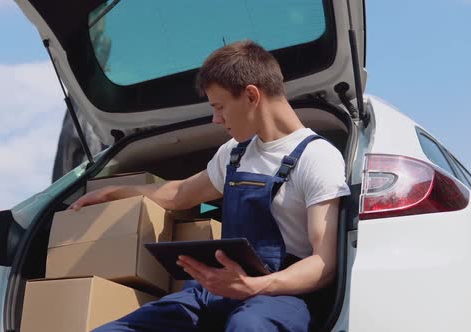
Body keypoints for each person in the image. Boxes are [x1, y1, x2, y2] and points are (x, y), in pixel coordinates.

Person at [69, 40, 350, 332]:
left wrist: (254, 286)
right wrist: (114, 193)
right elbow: (179, 194)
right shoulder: (234, 152)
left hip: (281, 294)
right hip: (215, 289)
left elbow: (324, 264)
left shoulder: (316, 157)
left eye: (219, 107)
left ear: (252, 96)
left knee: (248, 326)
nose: (216, 119)